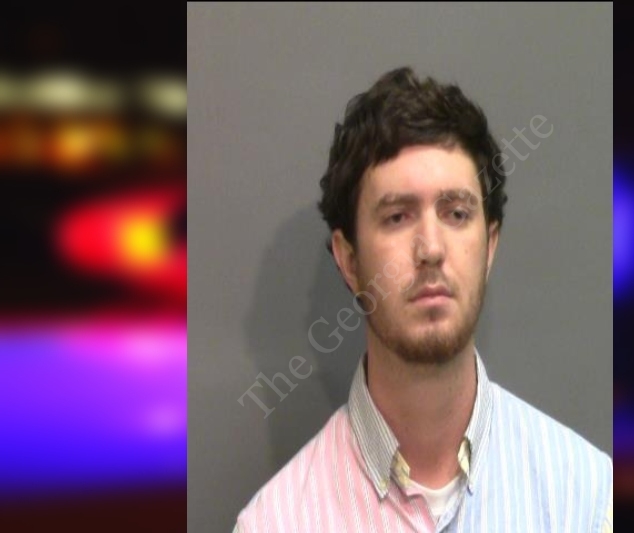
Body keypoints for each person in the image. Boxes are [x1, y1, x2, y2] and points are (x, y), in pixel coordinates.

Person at [234, 66, 612, 532]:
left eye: (456, 213)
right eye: (397, 217)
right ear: (349, 260)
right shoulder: (276, 523)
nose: (431, 248)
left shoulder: (587, 499)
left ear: (489, 246)